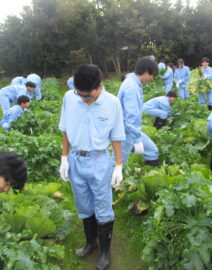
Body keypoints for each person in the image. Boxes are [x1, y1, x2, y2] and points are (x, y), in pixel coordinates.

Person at [59, 64, 125, 270]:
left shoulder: (112, 103)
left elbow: (116, 137)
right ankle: (91, 244)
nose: (83, 99)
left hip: (99, 161)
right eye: (80, 95)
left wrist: (118, 165)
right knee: (83, 205)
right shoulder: (70, 98)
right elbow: (65, 130)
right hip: (77, 159)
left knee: (103, 207)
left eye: (88, 96)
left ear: (99, 87)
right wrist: (64, 157)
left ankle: (105, 254)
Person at [115, 57, 160, 167]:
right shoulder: (132, 88)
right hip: (126, 132)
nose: (151, 78)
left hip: (129, 129)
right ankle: (110, 182)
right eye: (151, 75)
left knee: (152, 150)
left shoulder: (131, 81)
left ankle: (151, 176)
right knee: (118, 163)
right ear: (145, 72)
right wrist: (137, 140)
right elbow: (131, 117)